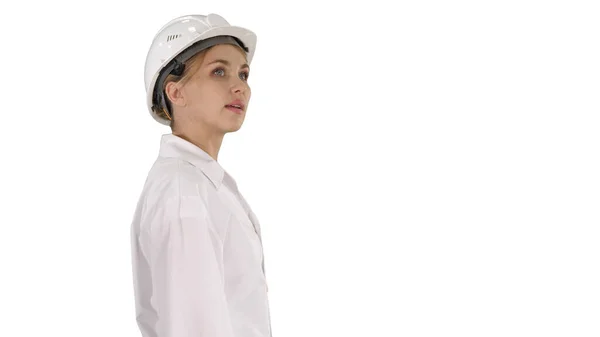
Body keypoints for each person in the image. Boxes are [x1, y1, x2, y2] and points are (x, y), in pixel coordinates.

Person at [129, 13, 272, 337]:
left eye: (244, 73)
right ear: (176, 93)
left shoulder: (202, 184)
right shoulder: (184, 193)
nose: (240, 87)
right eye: (218, 71)